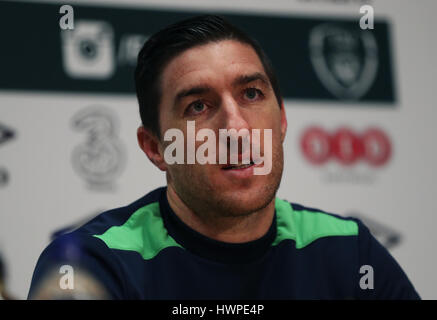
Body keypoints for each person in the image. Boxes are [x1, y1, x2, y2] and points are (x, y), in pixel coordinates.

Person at [28, 15, 420, 300]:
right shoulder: (98, 261)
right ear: (155, 148)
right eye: (198, 106)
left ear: (281, 119)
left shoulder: (349, 251)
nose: (236, 129)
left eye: (251, 94)